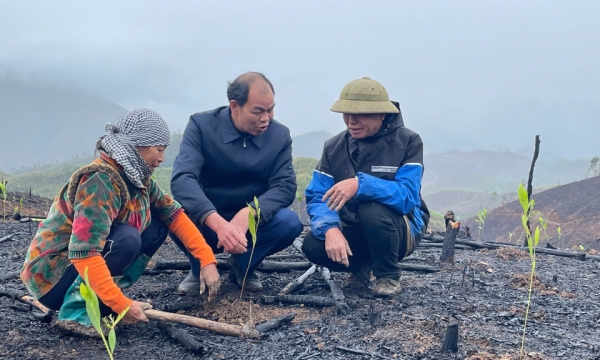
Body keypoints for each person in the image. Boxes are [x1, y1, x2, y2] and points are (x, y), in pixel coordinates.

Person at [20, 109, 220, 334]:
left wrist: (206, 259)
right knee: (126, 238)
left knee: (156, 227)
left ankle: (104, 302)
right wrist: (122, 305)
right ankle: (77, 314)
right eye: (159, 149)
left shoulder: (136, 178)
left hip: (76, 273)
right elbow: (85, 252)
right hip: (51, 279)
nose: (162, 158)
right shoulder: (99, 182)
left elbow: (173, 214)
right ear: (137, 146)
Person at [171, 72, 303, 293]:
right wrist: (216, 221)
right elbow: (183, 179)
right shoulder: (201, 126)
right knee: (175, 214)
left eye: (270, 109)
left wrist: (249, 213)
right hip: (207, 220)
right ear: (234, 106)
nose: (266, 118)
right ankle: (199, 266)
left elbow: (285, 185)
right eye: (258, 111)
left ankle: (244, 266)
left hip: (253, 225)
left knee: (289, 222)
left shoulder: (279, 135)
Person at [302, 77, 429, 296]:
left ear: (382, 113)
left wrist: (361, 184)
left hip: (400, 230)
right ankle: (361, 268)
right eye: (347, 114)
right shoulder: (334, 147)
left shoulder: (408, 142)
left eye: (361, 114)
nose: (351, 121)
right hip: (354, 226)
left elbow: (408, 197)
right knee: (313, 244)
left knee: (372, 209)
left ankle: (388, 276)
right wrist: (329, 228)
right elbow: (317, 196)